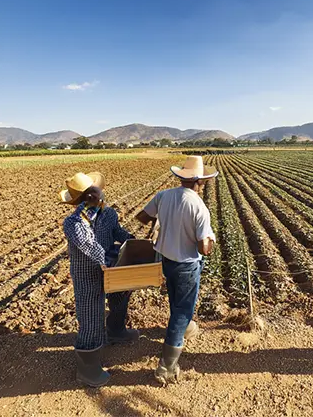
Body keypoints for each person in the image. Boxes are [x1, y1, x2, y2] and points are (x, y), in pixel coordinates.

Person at [136, 156, 218, 385]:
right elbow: (205, 248)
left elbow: (142, 217)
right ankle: (167, 367)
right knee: (181, 311)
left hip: (166, 261)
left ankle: (186, 328)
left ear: (182, 178)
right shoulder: (199, 207)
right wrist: (211, 238)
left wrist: (162, 222)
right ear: (200, 182)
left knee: (176, 301)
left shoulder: (164, 195)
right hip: (187, 265)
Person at [60, 172, 139, 387]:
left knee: (122, 295)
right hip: (88, 275)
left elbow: (117, 231)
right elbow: (88, 245)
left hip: (111, 268)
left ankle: (116, 331)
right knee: (91, 319)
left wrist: (132, 241)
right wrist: (107, 261)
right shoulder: (73, 223)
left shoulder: (109, 214)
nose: (100, 194)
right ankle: (87, 368)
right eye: (94, 192)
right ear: (84, 198)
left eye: (98, 190)